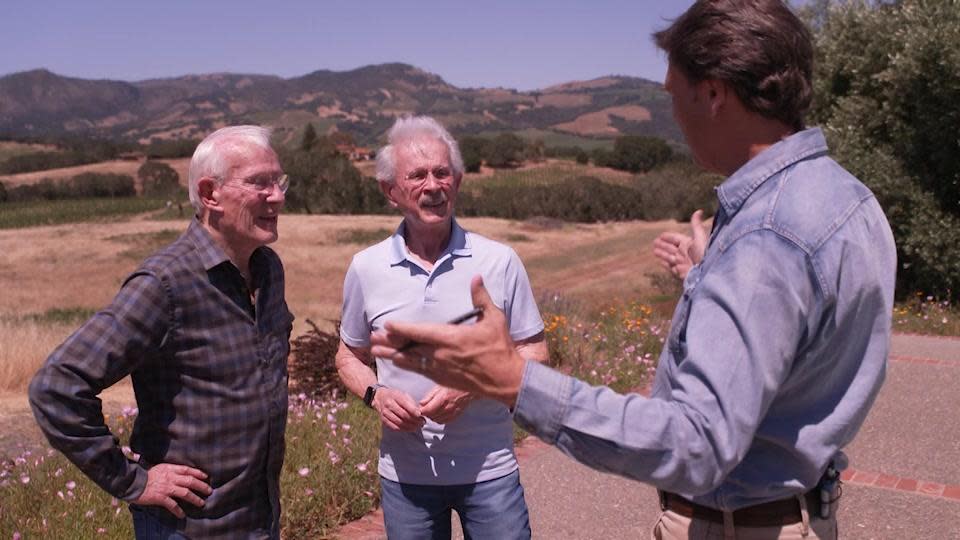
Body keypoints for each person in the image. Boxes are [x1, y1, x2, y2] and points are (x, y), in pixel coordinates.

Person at [368, 1, 897, 539]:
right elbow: (794, 348)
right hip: (801, 511)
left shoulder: (767, 238)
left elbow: (697, 443)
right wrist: (710, 278)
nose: (673, 113)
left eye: (673, 94)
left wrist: (513, 381)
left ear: (713, 93)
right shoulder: (848, 198)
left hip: (738, 525)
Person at [29, 125, 294, 539]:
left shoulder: (268, 269)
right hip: (188, 528)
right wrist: (134, 481)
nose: (277, 196)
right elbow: (57, 385)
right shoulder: (165, 284)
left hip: (258, 520)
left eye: (278, 182)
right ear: (210, 195)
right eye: (260, 183)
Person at [336, 115, 548, 539]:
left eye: (442, 172)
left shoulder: (499, 261)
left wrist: (472, 384)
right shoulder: (366, 267)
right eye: (417, 175)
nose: (432, 185)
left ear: (458, 181)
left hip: (489, 469)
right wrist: (376, 394)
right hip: (406, 477)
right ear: (390, 191)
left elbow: (534, 351)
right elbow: (348, 355)